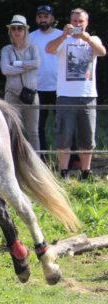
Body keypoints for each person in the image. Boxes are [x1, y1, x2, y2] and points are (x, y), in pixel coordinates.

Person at [46, 8, 106, 180]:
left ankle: (86, 172)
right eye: (75, 21)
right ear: (70, 22)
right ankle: (63, 172)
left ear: (87, 23)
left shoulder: (93, 39)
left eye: (81, 21)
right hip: (65, 95)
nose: (77, 24)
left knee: (87, 136)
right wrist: (64, 35)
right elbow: (49, 49)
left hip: (88, 95)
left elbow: (102, 52)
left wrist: (87, 39)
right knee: (63, 135)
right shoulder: (62, 40)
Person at [0, 14, 41, 151]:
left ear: (25, 31)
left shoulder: (33, 48)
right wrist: (26, 67)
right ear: (10, 31)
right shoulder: (6, 49)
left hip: (31, 94)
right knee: (11, 130)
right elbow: (5, 69)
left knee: (33, 132)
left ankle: (37, 162)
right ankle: (12, 162)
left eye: (20, 28)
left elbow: (37, 63)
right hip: (11, 94)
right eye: (14, 29)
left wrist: (17, 64)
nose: (16, 32)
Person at [29, 5, 62, 160]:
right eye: (40, 16)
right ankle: (42, 159)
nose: (43, 19)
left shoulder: (62, 35)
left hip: (60, 88)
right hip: (38, 87)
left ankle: (72, 160)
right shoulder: (30, 37)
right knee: (38, 126)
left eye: (46, 16)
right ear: (36, 19)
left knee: (63, 124)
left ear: (52, 18)